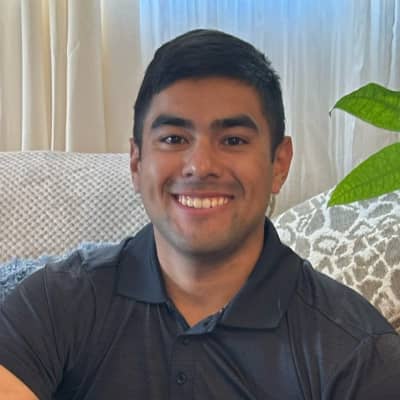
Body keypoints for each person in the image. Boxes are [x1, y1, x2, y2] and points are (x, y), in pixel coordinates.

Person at [0, 29, 399, 400]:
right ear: (136, 163)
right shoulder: (54, 302)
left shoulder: (357, 352)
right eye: (174, 138)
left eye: (233, 140)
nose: (201, 165)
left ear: (279, 163)